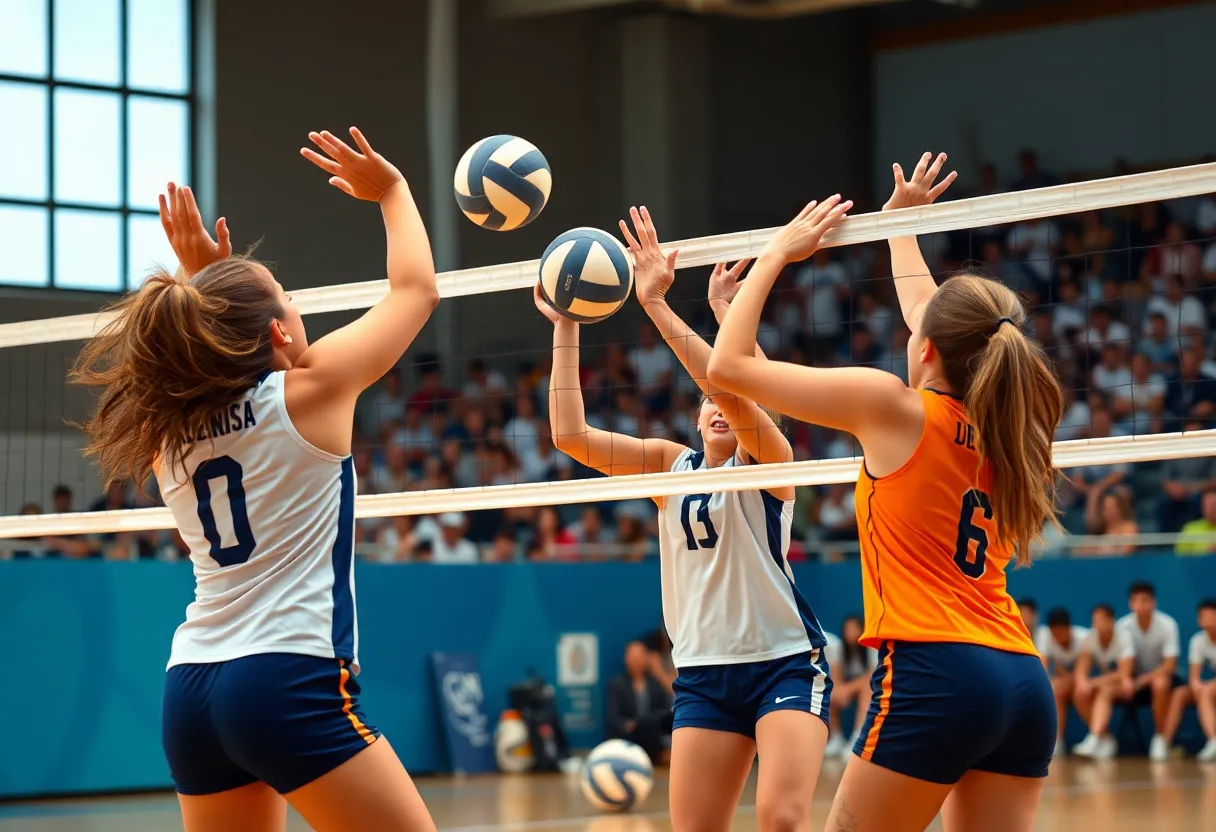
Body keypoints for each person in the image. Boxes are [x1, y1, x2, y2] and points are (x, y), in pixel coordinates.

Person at [71, 128, 440, 832]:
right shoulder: (310, 391)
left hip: (193, 689)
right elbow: (417, 291)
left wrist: (210, 286)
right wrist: (391, 189)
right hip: (285, 677)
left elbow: (219, 361)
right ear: (277, 334)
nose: (298, 310)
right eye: (290, 301)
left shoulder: (165, 438)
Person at [708, 152, 1061, 832]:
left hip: (939, 672)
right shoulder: (1007, 427)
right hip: (1020, 680)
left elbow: (729, 365)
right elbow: (938, 320)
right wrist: (900, 225)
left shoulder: (894, 407)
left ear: (926, 350)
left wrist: (777, 251)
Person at [540, 206, 830, 832]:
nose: (716, 409)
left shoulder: (772, 464)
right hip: (702, 672)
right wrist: (569, 323)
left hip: (782, 659)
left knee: (781, 819)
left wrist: (657, 305)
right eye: (705, 405)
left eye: (725, 402)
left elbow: (730, 381)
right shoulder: (672, 470)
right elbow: (568, 434)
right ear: (695, 420)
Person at [1116, 581, 1183, 761]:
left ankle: (1160, 738)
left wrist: (1144, 680)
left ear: (1153, 602)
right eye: (1135, 601)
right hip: (1134, 680)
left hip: (1163, 678)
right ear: (1130, 604)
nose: (1140, 605)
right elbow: (1124, 661)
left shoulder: (1168, 624)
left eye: (1145, 600)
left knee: (1160, 683)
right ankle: (1101, 738)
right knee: (1106, 691)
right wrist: (1127, 679)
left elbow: (1170, 665)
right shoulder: (1123, 626)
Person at [1072, 603, 1136, 760]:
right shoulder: (1090, 637)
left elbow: (1123, 673)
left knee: (1105, 691)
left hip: (1128, 684)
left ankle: (1094, 738)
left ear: (1111, 621)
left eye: (1100, 620)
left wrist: (1093, 682)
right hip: (1104, 683)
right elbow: (1082, 666)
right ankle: (1105, 738)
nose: (1097, 624)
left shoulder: (1124, 637)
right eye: (1094, 621)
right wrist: (1082, 682)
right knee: (1079, 694)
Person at [1162, 599, 1216, 761]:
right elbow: (1194, 677)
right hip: (1210, 689)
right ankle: (1165, 745)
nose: (1204, 618)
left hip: (1212, 688)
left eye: (1209, 615)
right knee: (1180, 693)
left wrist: (1205, 688)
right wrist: (1197, 686)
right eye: (1201, 615)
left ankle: (1213, 741)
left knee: (1207, 691)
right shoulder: (1197, 640)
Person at [606, 641, 673, 764]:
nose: (636, 661)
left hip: (653, 741)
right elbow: (613, 718)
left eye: (640, 657)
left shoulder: (656, 684)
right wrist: (630, 725)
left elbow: (664, 712)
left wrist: (646, 723)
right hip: (627, 741)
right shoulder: (617, 684)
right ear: (626, 659)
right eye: (633, 657)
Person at [1035, 608, 1088, 756]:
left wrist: (1066, 679)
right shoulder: (1044, 636)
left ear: (1068, 628)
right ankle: (1056, 741)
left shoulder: (1084, 638)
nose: (1057, 637)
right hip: (1062, 685)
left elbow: (1082, 674)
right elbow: (1043, 671)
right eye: (1054, 633)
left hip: (1084, 685)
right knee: (1055, 693)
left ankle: (1101, 737)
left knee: (1079, 693)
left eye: (1061, 632)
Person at [823, 615, 877, 759]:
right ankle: (836, 737)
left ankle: (858, 737)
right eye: (848, 629)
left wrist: (848, 688)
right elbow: (837, 679)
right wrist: (841, 691)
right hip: (846, 690)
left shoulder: (871, 648)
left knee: (867, 688)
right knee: (828, 690)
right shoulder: (839, 648)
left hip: (868, 690)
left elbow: (872, 677)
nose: (851, 632)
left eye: (855, 628)